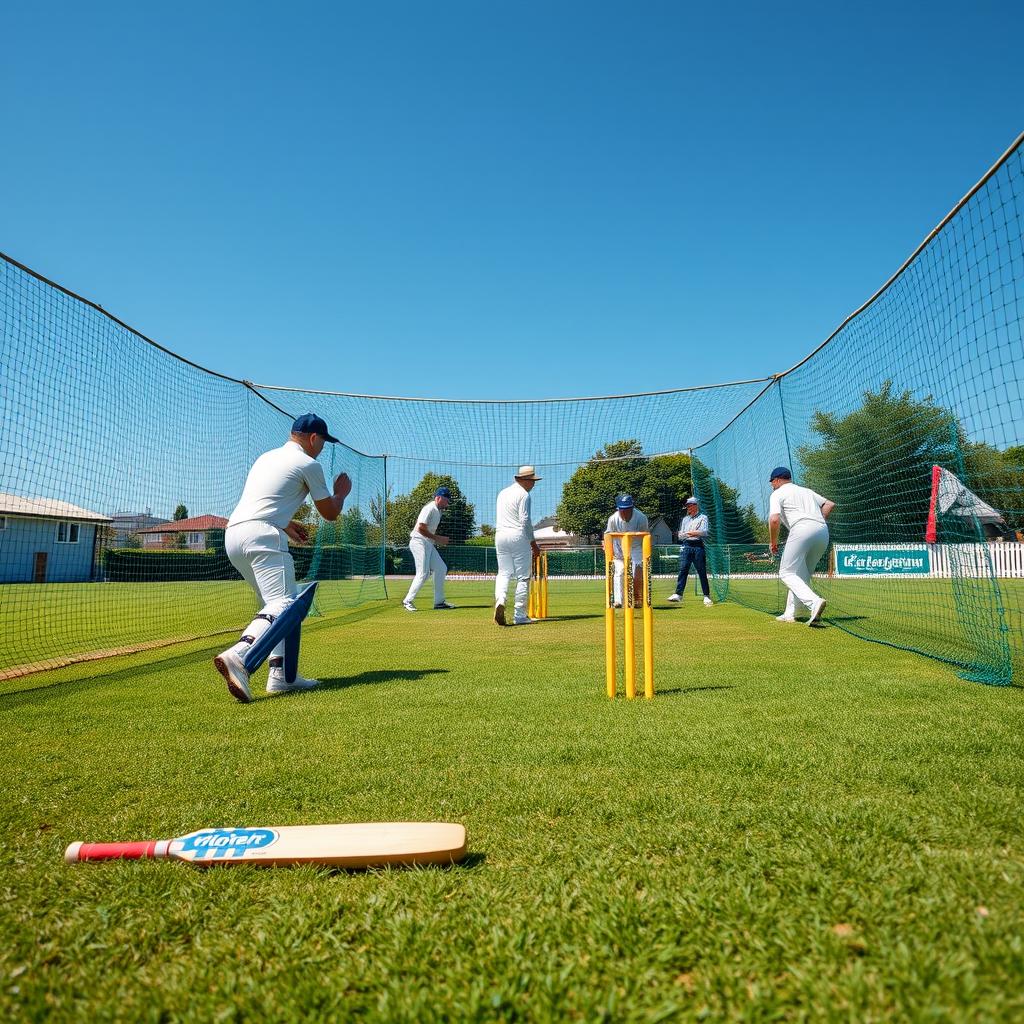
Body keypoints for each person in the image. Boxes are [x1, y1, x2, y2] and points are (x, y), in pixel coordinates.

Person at [214, 414, 351, 702]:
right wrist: (340, 494)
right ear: (313, 438)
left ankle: (282, 677)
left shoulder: (266, 458)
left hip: (235, 535)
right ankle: (240, 655)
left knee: (277, 608)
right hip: (262, 535)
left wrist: (286, 524)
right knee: (285, 605)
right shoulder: (309, 464)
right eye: (323, 442)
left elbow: (264, 500)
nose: (323, 448)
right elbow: (330, 513)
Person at [768, 466, 835, 625]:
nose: (771, 485)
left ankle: (814, 602)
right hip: (822, 532)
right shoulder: (806, 491)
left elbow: (774, 520)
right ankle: (790, 613)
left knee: (786, 572)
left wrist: (773, 542)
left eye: (772, 482)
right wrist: (817, 523)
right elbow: (829, 504)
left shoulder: (777, 493)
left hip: (801, 529)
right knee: (801, 574)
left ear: (777, 480)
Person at [494, 466, 542, 626]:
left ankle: (500, 599)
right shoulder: (524, 495)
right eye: (532, 481)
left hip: (500, 536)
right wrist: (533, 544)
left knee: (503, 573)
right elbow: (525, 521)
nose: (533, 484)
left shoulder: (502, 493)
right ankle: (520, 615)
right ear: (524, 480)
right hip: (517, 536)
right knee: (523, 577)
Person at [403, 487, 455, 611]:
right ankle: (407, 601)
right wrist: (438, 539)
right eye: (446, 501)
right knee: (423, 573)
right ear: (438, 498)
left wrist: (435, 539)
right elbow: (421, 528)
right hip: (418, 542)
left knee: (441, 568)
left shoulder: (438, 510)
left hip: (428, 544)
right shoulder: (429, 508)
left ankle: (439, 602)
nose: (447, 504)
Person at [604, 494, 649, 608]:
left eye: (628, 509)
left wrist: (645, 553)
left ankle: (638, 598)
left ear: (632, 507)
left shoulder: (641, 517)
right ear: (618, 509)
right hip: (619, 548)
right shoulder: (613, 519)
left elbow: (645, 536)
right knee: (619, 572)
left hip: (636, 548)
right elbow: (608, 535)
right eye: (622, 509)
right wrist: (606, 545)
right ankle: (619, 601)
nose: (625, 512)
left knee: (636, 573)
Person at [668, 497, 713, 606]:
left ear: (695, 505)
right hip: (686, 545)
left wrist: (689, 533)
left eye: (689, 505)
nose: (687, 507)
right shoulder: (685, 519)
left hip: (698, 546)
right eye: (687, 506)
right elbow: (680, 535)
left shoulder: (703, 517)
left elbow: (703, 532)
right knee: (683, 569)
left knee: (701, 571)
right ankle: (678, 594)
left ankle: (706, 596)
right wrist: (692, 533)